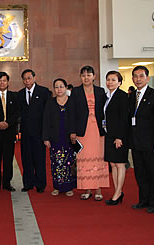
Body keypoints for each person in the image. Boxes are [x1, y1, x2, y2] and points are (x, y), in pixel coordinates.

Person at [128, 66, 154, 214]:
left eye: (141, 76)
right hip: (136, 142)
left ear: (147, 78)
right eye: (135, 76)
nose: (138, 79)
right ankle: (144, 199)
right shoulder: (130, 97)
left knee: (153, 172)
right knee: (140, 172)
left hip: (151, 142)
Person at [71, 66, 107, 201]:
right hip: (82, 130)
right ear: (80, 77)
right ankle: (87, 188)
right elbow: (72, 113)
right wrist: (72, 131)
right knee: (84, 160)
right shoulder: (75, 91)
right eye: (83, 75)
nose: (86, 78)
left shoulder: (100, 91)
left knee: (98, 159)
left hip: (97, 130)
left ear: (94, 76)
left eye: (89, 75)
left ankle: (98, 188)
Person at [42, 78, 77, 196]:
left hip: (69, 137)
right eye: (56, 87)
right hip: (55, 137)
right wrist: (46, 138)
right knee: (56, 163)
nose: (59, 89)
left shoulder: (72, 101)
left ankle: (68, 187)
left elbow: (75, 119)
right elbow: (46, 121)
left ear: (66, 87)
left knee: (68, 162)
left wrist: (74, 132)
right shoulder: (50, 102)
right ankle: (57, 186)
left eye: (61, 86)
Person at [18, 69, 51, 193]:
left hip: (39, 132)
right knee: (26, 159)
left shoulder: (44, 92)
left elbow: (47, 113)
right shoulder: (20, 94)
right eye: (25, 79)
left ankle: (40, 184)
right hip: (25, 133)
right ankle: (28, 183)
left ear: (34, 78)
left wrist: (46, 133)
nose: (27, 81)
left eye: (29, 78)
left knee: (39, 159)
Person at [102, 71, 130, 205]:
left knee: (120, 164)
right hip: (108, 134)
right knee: (112, 164)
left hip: (119, 136)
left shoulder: (122, 96)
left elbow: (124, 118)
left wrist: (120, 137)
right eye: (108, 80)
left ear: (119, 82)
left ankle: (118, 193)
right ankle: (117, 191)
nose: (110, 82)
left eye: (113, 80)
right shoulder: (106, 96)